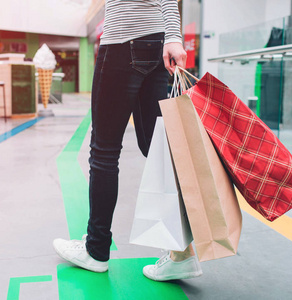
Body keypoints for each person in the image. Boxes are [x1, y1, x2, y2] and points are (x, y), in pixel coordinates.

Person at [53, 0, 202, 281]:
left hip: (122, 39)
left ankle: (96, 250)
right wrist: (171, 35)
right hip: (157, 42)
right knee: (157, 148)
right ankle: (182, 253)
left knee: (105, 151)